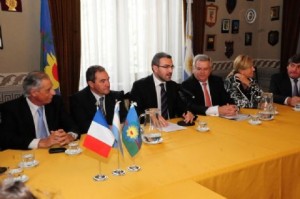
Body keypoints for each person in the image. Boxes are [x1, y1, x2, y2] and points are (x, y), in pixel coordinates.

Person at [0, 71, 79, 150]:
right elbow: (8, 139)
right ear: (34, 93)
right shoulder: (11, 109)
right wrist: (41, 142)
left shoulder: (56, 102)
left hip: (55, 152)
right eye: (48, 90)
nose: (53, 92)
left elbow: (72, 125)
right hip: (28, 155)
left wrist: (70, 136)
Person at [130, 52, 195, 125]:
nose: (171, 71)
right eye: (166, 67)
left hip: (170, 127)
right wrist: (149, 115)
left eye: (171, 67)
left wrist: (187, 113)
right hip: (150, 128)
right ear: (155, 68)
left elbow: (180, 107)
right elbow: (134, 112)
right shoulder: (140, 86)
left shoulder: (173, 86)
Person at [70, 65, 127, 134]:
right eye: (102, 81)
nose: (108, 84)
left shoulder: (117, 96)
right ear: (91, 84)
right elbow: (84, 127)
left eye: (108, 79)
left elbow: (125, 118)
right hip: (92, 140)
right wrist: (110, 128)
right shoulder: (78, 100)